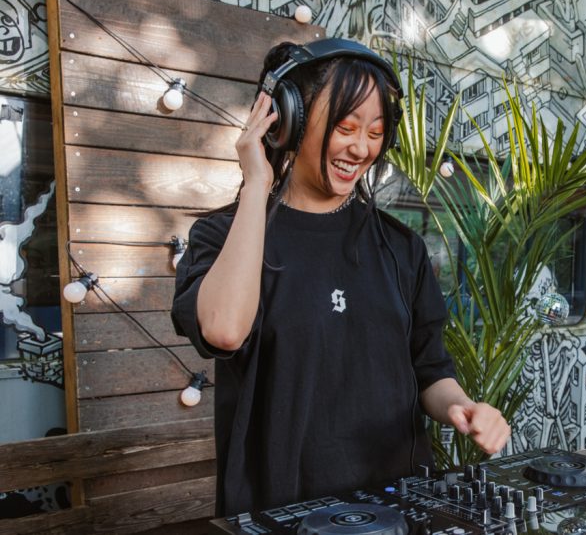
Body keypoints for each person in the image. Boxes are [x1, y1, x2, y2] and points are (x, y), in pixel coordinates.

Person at [171, 38, 510, 517]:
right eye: (345, 127)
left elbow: (431, 371)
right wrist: (256, 186)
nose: (360, 147)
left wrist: (462, 407)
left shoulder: (401, 248)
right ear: (288, 123)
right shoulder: (224, 235)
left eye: (374, 132)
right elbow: (223, 329)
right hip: (280, 512)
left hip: (396, 508)